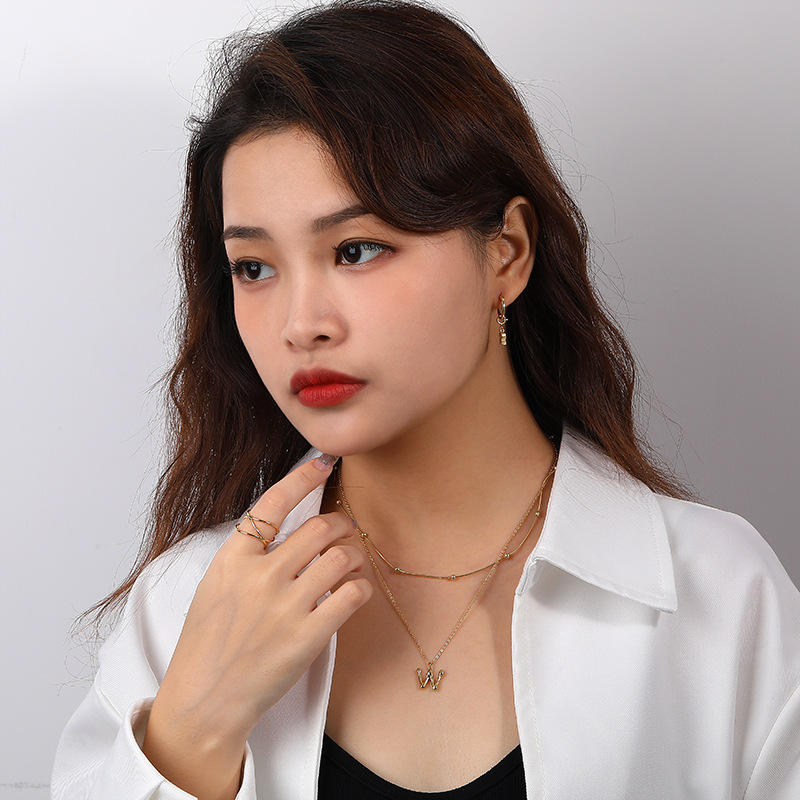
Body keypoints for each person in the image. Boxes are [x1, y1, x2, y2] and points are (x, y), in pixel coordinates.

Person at [51, 1, 800, 798]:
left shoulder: (719, 594)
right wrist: (193, 729)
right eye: (254, 268)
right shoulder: (190, 607)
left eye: (356, 250)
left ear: (506, 254)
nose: (301, 325)